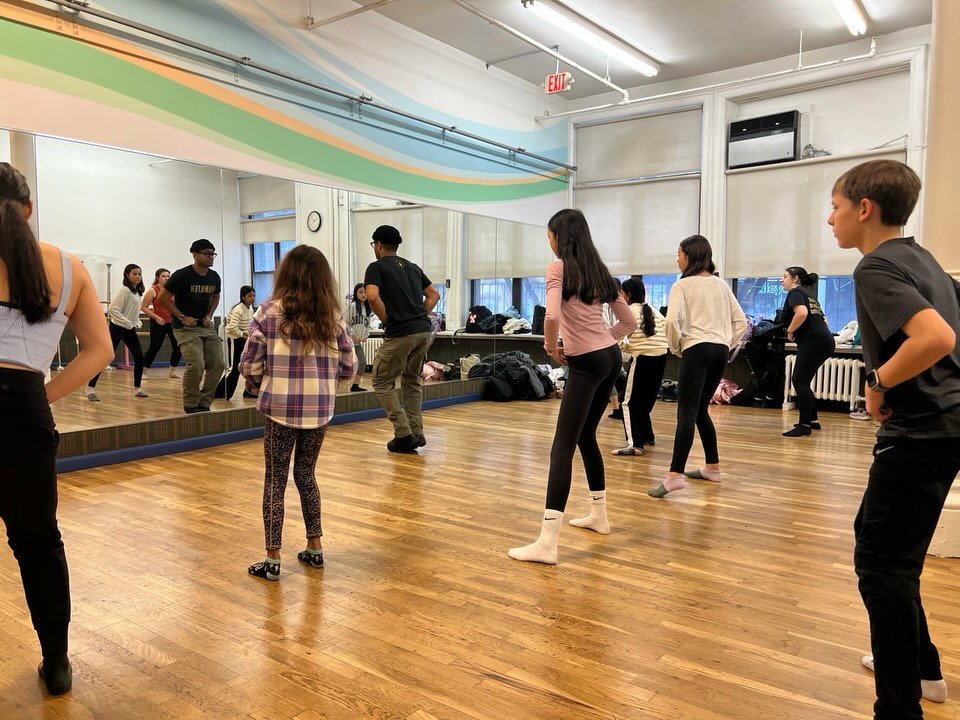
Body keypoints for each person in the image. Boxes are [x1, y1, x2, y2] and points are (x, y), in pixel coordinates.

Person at [830, 159, 959, 719]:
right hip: (945, 426)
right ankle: (923, 668)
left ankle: (899, 706)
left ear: (865, 210)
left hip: (922, 432)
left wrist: (877, 380)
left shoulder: (876, 266)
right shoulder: (925, 260)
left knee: (880, 566)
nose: (829, 220)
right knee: (893, 558)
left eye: (835, 208)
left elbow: (936, 337)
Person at [0, 162, 113, 695]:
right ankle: (58, 662)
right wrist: (38, 394)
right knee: (39, 542)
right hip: (24, 412)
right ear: (28, 208)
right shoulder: (69, 268)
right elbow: (101, 351)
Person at [508, 209, 635, 565]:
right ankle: (600, 516)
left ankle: (547, 543)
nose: (548, 241)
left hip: (587, 362)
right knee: (585, 436)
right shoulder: (598, 272)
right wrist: (604, 340)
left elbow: (551, 316)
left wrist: (551, 347)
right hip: (610, 358)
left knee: (561, 447)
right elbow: (629, 320)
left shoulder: (558, 268)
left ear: (559, 237)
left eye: (549, 235)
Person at [239, 245, 355, 581]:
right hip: (318, 411)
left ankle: (272, 560)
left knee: (275, 480)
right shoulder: (333, 319)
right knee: (307, 476)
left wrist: (257, 384)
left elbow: (249, 365)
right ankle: (315, 549)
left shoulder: (267, 313)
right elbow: (350, 367)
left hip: (279, 409)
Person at [648, 235, 747, 498]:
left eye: (679, 254)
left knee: (686, 413)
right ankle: (712, 468)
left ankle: (674, 476)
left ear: (690, 256)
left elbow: (671, 323)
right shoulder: (721, 285)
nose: (676, 259)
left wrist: (677, 347)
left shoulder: (682, 285)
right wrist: (725, 343)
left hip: (697, 349)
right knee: (701, 410)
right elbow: (742, 323)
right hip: (719, 351)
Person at [364, 225, 440, 452]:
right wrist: (419, 315)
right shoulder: (412, 267)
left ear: (378, 245)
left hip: (400, 332)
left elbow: (371, 295)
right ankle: (417, 432)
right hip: (423, 331)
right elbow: (434, 294)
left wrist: (388, 320)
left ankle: (404, 432)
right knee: (412, 380)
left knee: (381, 381)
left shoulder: (376, 267)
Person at [157, 239, 225, 413]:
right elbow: (163, 298)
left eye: (213, 253)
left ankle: (204, 402)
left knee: (218, 363)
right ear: (195, 255)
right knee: (196, 364)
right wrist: (182, 316)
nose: (211, 257)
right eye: (207, 253)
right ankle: (191, 404)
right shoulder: (182, 275)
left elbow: (215, 297)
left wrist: (209, 315)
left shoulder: (214, 276)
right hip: (184, 327)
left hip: (205, 325)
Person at [611, 277, 668, 456]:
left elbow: (616, 337)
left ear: (627, 295)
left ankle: (634, 444)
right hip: (661, 358)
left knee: (627, 403)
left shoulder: (628, 312)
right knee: (645, 401)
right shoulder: (656, 312)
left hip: (642, 359)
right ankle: (647, 436)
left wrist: (629, 348)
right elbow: (667, 332)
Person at [780, 266, 835, 436]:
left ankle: (804, 425)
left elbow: (802, 313)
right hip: (825, 341)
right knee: (804, 381)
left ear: (795, 279)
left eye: (784, 276)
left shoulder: (795, 293)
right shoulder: (810, 295)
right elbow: (824, 320)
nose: (782, 280)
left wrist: (790, 331)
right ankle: (812, 420)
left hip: (813, 343)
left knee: (799, 381)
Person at [85, 263, 148, 401]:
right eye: (134, 274)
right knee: (106, 358)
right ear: (127, 275)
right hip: (117, 328)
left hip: (128, 328)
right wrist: (128, 323)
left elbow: (133, 311)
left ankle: (137, 389)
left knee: (139, 357)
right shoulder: (125, 290)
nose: (137, 276)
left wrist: (136, 321)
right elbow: (113, 309)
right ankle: (90, 388)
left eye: (139, 274)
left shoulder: (137, 292)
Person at [140, 267, 182, 379]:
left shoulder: (173, 290)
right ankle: (143, 371)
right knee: (155, 346)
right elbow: (143, 307)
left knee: (178, 346)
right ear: (158, 277)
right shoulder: (153, 290)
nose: (166, 278)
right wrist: (156, 317)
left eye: (168, 276)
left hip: (172, 322)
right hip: (158, 322)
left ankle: (172, 371)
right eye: (163, 276)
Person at [216, 285, 256, 401]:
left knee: (247, 367)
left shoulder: (250, 309)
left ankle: (248, 391)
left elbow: (249, 325)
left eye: (253, 296)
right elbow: (231, 328)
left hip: (245, 340)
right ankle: (219, 393)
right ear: (243, 297)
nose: (252, 298)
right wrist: (243, 335)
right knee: (235, 369)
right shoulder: (238, 309)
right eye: (249, 296)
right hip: (236, 340)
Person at [346, 282, 372, 392]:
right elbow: (345, 323)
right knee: (344, 364)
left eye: (365, 292)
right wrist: (352, 334)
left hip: (357, 343)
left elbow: (368, 325)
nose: (363, 295)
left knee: (362, 362)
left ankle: (355, 385)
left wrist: (366, 335)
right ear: (356, 293)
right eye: (360, 292)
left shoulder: (368, 309)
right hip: (347, 342)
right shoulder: (352, 307)